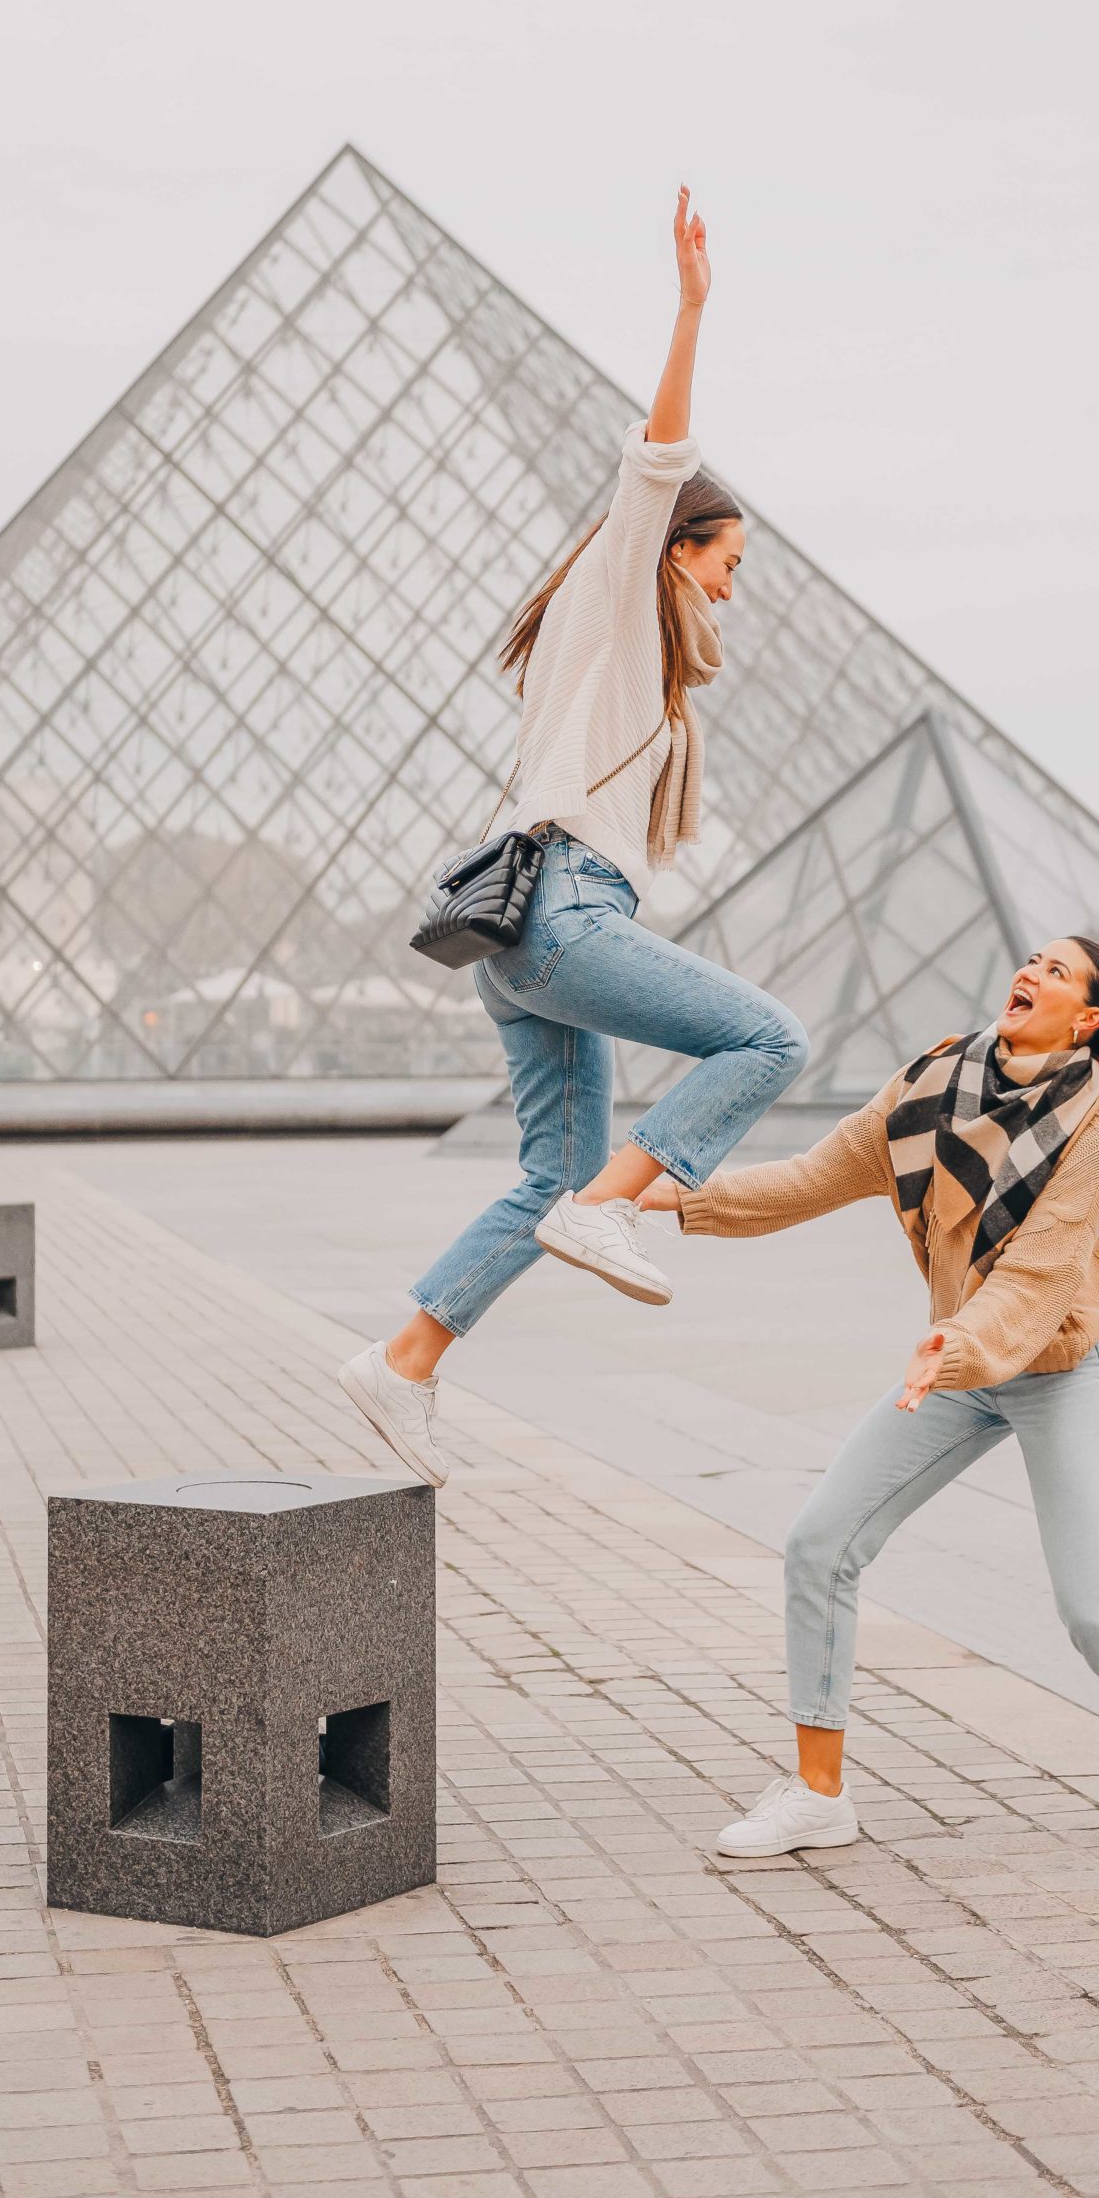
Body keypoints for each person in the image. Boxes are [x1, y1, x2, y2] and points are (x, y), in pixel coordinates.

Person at [339, 188, 809, 1488]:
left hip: (527, 933)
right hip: (562, 915)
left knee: (553, 1172)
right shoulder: (613, 596)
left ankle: (402, 1362)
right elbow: (654, 461)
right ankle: (608, 1216)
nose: (731, 586)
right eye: (727, 561)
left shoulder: (619, 653)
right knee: (768, 1039)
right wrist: (690, 309)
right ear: (674, 547)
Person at [640, 937, 1099, 1863]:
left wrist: (956, 1345)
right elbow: (814, 1176)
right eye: (1032, 960)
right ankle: (817, 1796)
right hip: (952, 1363)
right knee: (819, 1545)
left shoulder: (1090, 1131)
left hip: (1054, 1367)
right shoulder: (929, 1085)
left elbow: (1036, 1277)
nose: (1030, 973)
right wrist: (678, 1200)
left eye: (1056, 972)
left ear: (1087, 1020)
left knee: (1091, 1604)